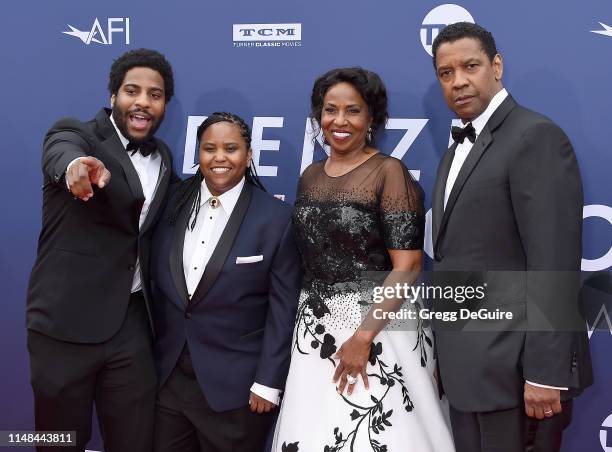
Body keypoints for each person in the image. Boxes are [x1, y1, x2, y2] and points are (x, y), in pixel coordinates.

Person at [430, 22, 593, 452]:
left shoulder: (533, 136)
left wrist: (545, 373)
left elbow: (553, 261)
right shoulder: (454, 152)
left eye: (470, 66)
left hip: (519, 377)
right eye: (446, 73)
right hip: (469, 375)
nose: (458, 81)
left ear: (496, 66)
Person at [272, 68, 455, 452]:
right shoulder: (309, 176)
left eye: (352, 111)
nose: (339, 121)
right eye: (329, 110)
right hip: (316, 327)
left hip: (380, 325)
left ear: (371, 118)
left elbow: (408, 267)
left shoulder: (390, 172)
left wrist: (362, 336)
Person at [26, 49, 176, 451]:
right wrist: (75, 166)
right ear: (113, 96)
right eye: (132, 91)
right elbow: (63, 150)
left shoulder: (163, 157)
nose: (143, 101)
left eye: (155, 94)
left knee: (135, 441)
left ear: (164, 105)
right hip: (65, 326)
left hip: (132, 325)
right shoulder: (76, 132)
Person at [150, 112, 302, 451]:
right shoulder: (172, 203)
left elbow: (283, 308)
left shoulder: (277, 219)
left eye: (231, 148)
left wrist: (267, 382)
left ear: (248, 156)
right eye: (209, 148)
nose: (219, 157)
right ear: (198, 154)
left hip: (238, 390)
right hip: (169, 381)